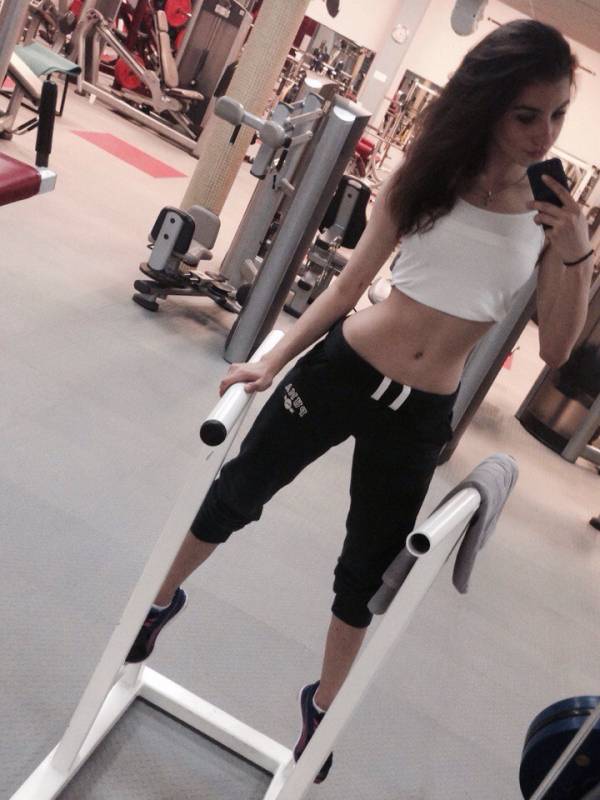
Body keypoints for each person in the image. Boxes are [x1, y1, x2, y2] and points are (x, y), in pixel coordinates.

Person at [126, 20, 594, 783]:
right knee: (239, 491)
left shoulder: (552, 217)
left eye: (559, 115)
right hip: (344, 368)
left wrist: (576, 249)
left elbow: (557, 349)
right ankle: (156, 602)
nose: (545, 135)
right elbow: (349, 285)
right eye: (527, 115)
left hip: (420, 415)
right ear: (488, 105)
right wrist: (271, 359)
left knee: (364, 574)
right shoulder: (430, 173)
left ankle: (322, 707)